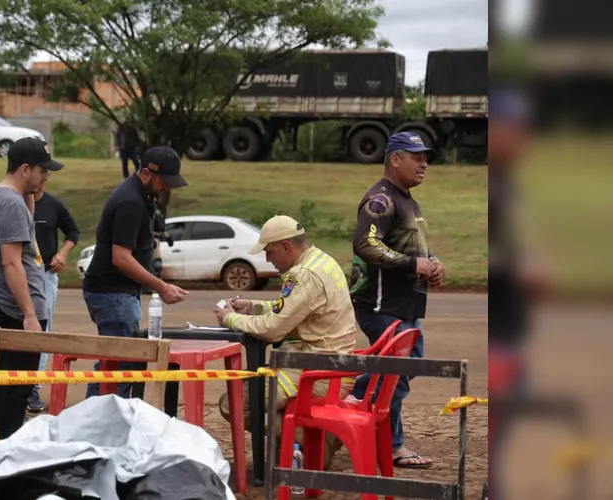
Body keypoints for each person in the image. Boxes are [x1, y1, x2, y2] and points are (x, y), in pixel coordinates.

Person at [214, 216, 356, 469]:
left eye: (269, 252)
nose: (268, 259)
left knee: (236, 403)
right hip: (332, 365)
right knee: (251, 397)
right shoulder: (321, 261)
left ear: (286, 247)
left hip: (314, 371)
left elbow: (273, 330)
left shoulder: (304, 275)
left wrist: (231, 319)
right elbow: (294, 309)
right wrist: (254, 307)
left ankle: (318, 440)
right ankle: (301, 443)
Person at [0, 137, 63, 475]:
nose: (46, 177)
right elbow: (11, 263)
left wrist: (30, 197)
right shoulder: (11, 204)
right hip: (15, 309)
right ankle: (9, 456)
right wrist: (30, 315)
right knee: (15, 387)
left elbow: (25, 234)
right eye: (42, 171)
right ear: (24, 169)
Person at [346, 131, 443, 469]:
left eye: (425, 157)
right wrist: (412, 264)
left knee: (402, 367)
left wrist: (432, 262)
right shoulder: (381, 200)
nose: (424, 163)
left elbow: (411, 245)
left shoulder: (407, 200)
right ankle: (391, 445)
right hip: (380, 304)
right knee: (395, 371)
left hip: (404, 307)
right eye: (417, 156)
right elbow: (366, 245)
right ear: (395, 160)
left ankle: (355, 399)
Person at [82, 146, 189, 400]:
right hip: (113, 294)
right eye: (164, 181)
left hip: (117, 293)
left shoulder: (137, 195)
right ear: (146, 173)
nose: (167, 188)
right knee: (119, 366)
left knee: (116, 363)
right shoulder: (130, 201)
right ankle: (99, 425)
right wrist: (161, 287)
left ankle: (101, 423)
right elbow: (120, 258)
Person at [487, 88, 544, 500]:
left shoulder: (508, 183)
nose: (525, 138)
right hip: (500, 332)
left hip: (512, 327)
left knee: (508, 423)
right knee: (501, 422)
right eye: (517, 128)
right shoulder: (492, 187)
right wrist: (520, 271)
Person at [26, 178, 80, 413]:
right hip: (19, 272)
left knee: (43, 329)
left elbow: (73, 232)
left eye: (43, 176)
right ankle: (11, 383)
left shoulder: (53, 205)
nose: (39, 181)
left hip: (46, 274)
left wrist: (63, 254)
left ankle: (33, 386)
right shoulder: (14, 203)